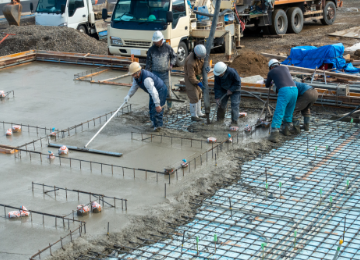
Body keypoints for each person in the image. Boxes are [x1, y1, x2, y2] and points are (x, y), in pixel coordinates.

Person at [124, 62, 168, 132]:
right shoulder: (137, 77)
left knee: (156, 110)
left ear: (138, 72)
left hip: (160, 90)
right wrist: (128, 96)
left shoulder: (146, 79)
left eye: (133, 74)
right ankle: (154, 124)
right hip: (154, 91)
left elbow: (154, 93)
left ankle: (158, 128)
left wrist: (157, 105)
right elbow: (134, 87)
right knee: (151, 107)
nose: (132, 75)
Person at [266, 59, 298, 142]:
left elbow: (267, 85)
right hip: (294, 89)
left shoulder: (271, 72)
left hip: (285, 91)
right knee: (289, 111)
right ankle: (286, 131)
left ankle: (274, 135)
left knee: (279, 112)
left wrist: (270, 82)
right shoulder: (285, 68)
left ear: (271, 67)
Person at [146, 31, 177, 112]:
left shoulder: (168, 48)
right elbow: (148, 63)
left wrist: (171, 65)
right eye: (154, 42)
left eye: (157, 42)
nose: (155, 43)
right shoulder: (151, 50)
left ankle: (169, 107)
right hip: (155, 74)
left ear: (161, 40)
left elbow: (174, 56)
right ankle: (155, 108)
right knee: (154, 92)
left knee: (167, 91)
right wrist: (147, 74)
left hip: (165, 73)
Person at [184, 44, 207, 121]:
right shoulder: (190, 62)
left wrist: (206, 68)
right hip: (190, 78)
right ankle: (194, 115)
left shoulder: (200, 56)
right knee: (194, 96)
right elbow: (191, 77)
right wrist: (198, 83)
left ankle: (199, 112)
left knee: (199, 94)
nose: (201, 59)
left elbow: (202, 64)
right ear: (196, 54)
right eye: (200, 57)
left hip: (197, 76)